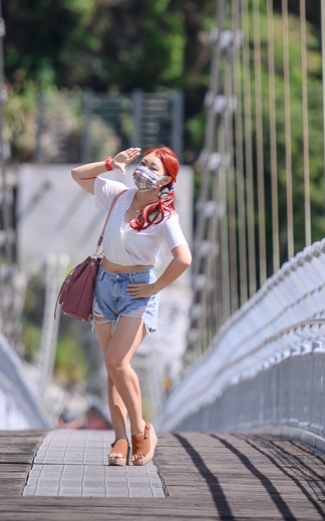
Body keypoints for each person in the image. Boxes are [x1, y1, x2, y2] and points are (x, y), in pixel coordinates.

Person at [70, 146, 192, 467]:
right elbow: (77, 174)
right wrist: (111, 164)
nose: (143, 170)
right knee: (114, 369)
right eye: (143, 163)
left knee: (117, 362)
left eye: (152, 167)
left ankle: (140, 430)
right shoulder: (120, 195)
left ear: (166, 180)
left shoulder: (165, 217)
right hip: (104, 287)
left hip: (137, 290)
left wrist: (154, 287)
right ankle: (120, 439)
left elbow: (183, 258)